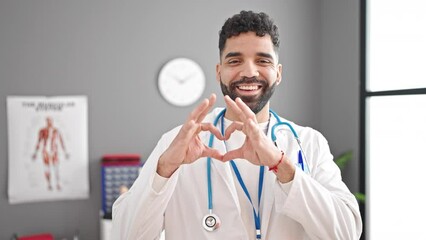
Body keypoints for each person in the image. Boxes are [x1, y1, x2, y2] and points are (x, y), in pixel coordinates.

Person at [112, 10, 362, 239]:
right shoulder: (176, 143)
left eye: (263, 61)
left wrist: (281, 165)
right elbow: (126, 235)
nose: (249, 72)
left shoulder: (307, 143)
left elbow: (345, 233)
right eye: (235, 61)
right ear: (219, 71)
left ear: (279, 73)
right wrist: (165, 168)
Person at [32, 116, 69, 190]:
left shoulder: (56, 131)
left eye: (51, 121)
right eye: (48, 121)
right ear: (46, 122)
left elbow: (61, 141)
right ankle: (49, 184)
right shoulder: (42, 131)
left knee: (56, 168)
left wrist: (65, 152)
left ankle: (58, 183)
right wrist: (35, 153)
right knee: (47, 168)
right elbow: (39, 141)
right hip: (45, 151)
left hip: (54, 151)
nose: (50, 123)